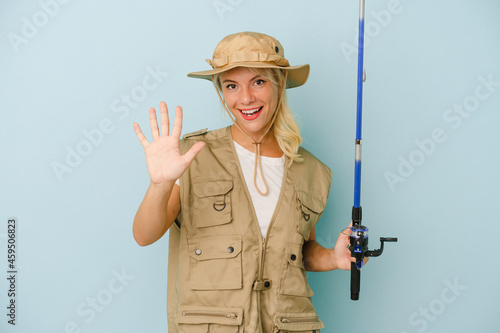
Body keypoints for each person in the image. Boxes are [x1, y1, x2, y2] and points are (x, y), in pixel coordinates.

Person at [132, 31, 360, 333]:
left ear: (279, 84)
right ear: (221, 92)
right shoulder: (192, 155)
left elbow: (299, 251)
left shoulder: (313, 171)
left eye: (259, 81)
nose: (246, 98)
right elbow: (144, 235)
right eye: (231, 85)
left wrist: (333, 257)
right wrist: (160, 184)